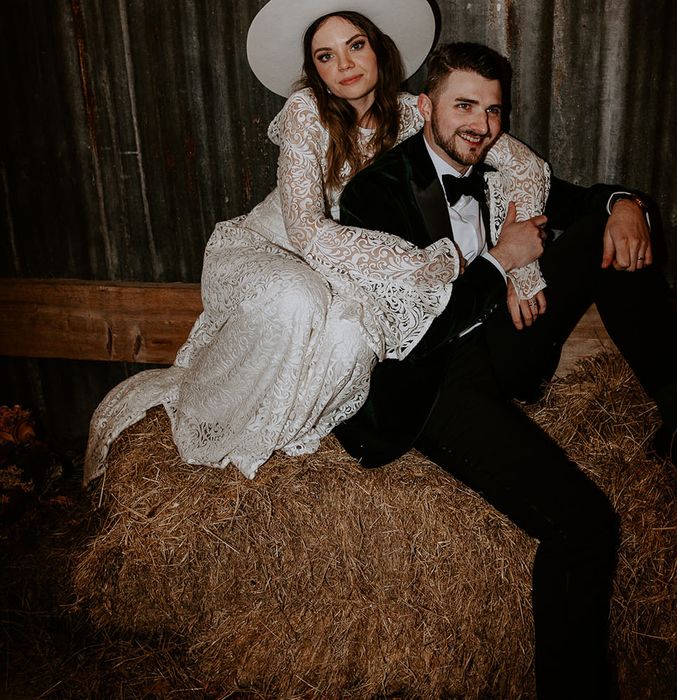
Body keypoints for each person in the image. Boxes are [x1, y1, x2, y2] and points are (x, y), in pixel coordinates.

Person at [334, 41, 677, 698]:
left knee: (607, 226)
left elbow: (583, 201)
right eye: (464, 106)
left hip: (503, 346)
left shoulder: (500, 166)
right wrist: (501, 263)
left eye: (494, 109)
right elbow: (407, 330)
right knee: (587, 527)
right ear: (424, 107)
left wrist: (627, 202)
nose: (481, 124)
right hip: (431, 385)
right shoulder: (374, 195)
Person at [83, 0, 544, 484]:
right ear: (315, 71)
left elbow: (527, 167)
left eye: (355, 46)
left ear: (380, 49)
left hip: (348, 268)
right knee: (295, 298)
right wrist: (430, 266)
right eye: (325, 56)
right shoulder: (307, 111)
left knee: (350, 337)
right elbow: (306, 230)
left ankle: (278, 430)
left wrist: (521, 268)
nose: (343, 65)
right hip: (270, 248)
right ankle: (211, 424)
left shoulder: (418, 112)